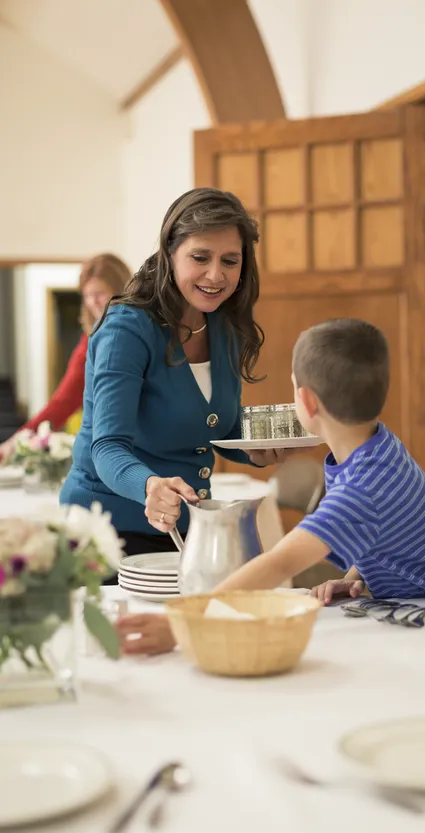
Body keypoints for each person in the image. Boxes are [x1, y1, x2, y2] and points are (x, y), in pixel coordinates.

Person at [117, 317, 425, 655]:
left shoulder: (363, 486)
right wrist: (356, 577)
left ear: (306, 402)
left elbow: (279, 562)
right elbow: (395, 537)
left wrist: (182, 626)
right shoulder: (377, 447)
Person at [60, 188, 288, 564]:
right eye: (200, 257)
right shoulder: (126, 329)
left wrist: (257, 450)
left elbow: (218, 428)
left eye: (230, 261)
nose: (216, 275)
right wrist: (149, 485)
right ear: (169, 253)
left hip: (182, 526)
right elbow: (107, 447)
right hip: (104, 531)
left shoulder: (224, 326)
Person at [0, 253, 131, 462]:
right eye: (87, 295)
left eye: (99, 293)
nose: (93, 302)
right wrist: (18, 441)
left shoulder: (143, 331)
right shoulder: (91, 341)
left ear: (121, 292)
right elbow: (64, 400)